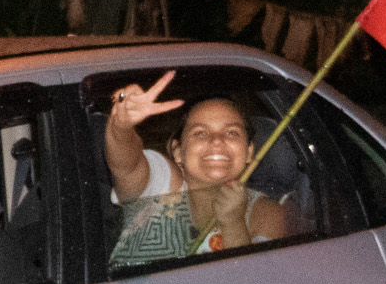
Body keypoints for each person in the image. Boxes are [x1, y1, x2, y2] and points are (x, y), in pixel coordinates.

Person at [103, 71, 286, 268]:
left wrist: (233, 222)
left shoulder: (266, 213)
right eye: (200, 133)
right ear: (178, 151)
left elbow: (252, 283)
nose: (216, 141)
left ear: (249, 152)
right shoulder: (164, 183)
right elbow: (126, 165)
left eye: (232, 132)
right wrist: (121, 126)